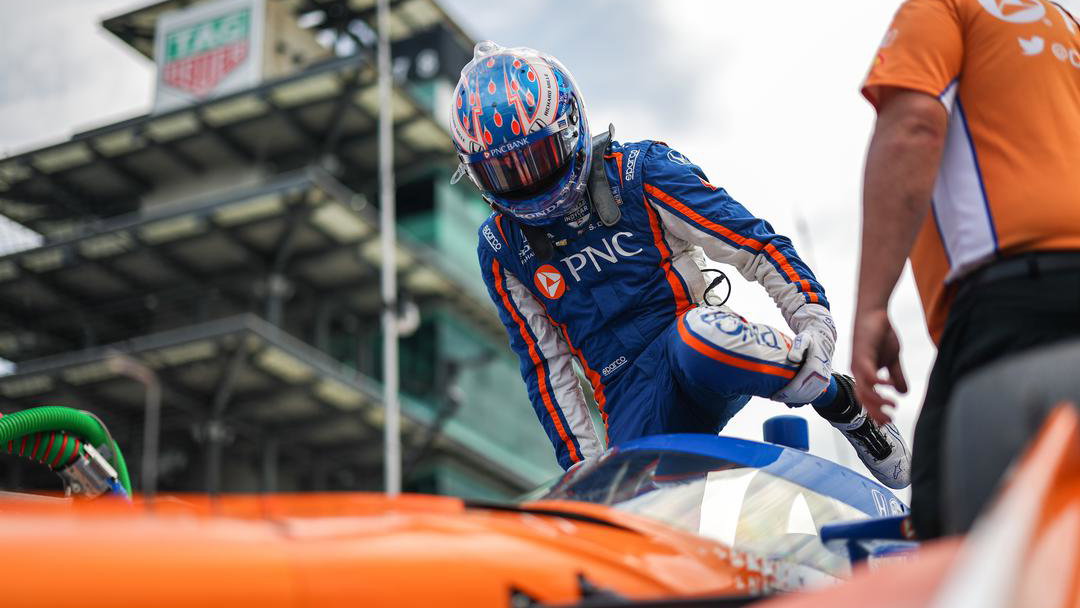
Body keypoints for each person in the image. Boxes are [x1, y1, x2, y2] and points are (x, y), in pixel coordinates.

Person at [451, 41, 911, 489]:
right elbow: (546, 367)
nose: (528, 180)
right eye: (506, 172)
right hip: (627, 400)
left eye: (537, 157)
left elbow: (753, 243)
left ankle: (842, 403)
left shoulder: (640, 170)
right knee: (625, 498)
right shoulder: (500, 247)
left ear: (570, 125)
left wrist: (815, 326)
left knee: (703, 338)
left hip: (696, 349)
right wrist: (585, 475)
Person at [853, 0, 1080, 537]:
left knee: (956, 539)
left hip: (1016, 305)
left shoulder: (942, 6)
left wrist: (870, 308)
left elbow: (914, 127)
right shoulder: (1068, 28)